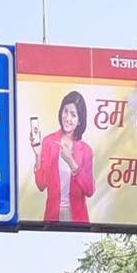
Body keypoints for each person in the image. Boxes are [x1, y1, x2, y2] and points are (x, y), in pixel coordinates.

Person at [32, 91, 96, 224]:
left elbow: (89, 190)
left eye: (73, 115)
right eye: (65, 111)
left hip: (78, 218)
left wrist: (71, 162)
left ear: (79, 121)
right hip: (52, 216)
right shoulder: (49, 142)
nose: (67, 118)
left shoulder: (85, 150)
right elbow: (41, 184)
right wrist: (38, 155)